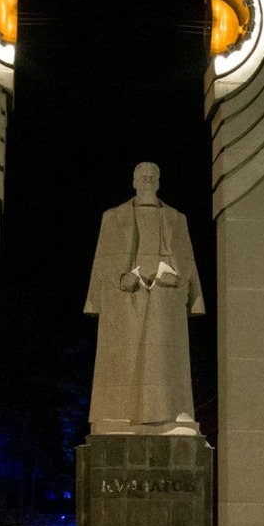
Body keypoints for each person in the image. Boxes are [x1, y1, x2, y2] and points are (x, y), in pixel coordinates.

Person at [84, 163, 204, 434]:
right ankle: (117, 416)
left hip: (165, 294)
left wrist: (178, 277)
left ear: (159, 182)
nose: (148, 180)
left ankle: (169, 417)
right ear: (134, 181)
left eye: (153, 177)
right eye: (143, 176)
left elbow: (187, 260)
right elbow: (102, 261)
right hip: (126, 294)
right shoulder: (113, 217)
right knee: (124, 359)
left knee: (162, 360)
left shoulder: (176, 218)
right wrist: (119, 278)